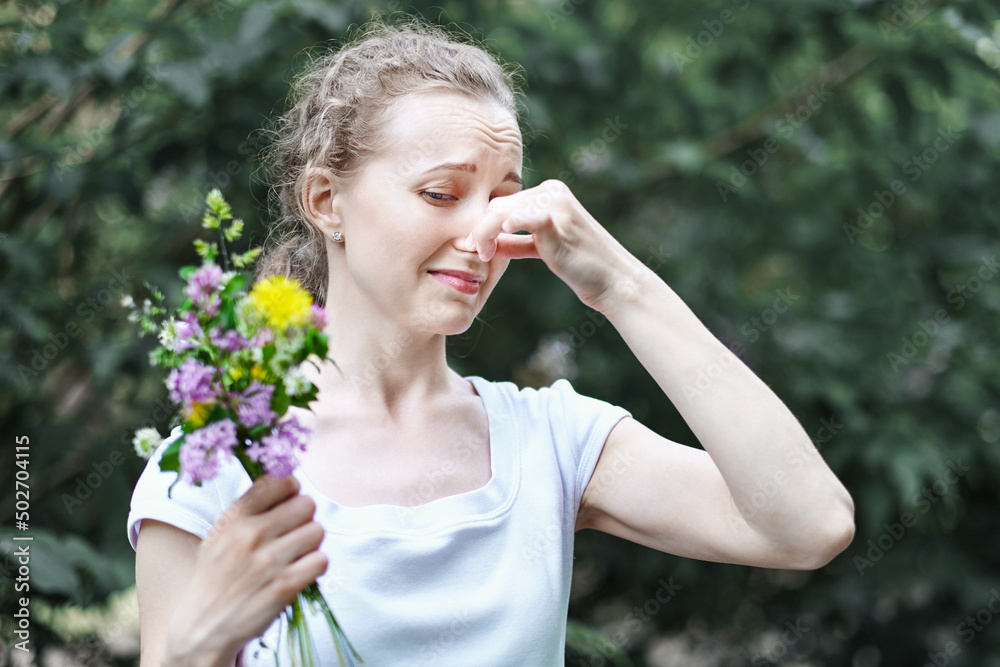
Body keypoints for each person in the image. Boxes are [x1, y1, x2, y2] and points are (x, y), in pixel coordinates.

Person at [128, 16, 855, 667]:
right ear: (325, 201)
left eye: (505, 200)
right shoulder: (221, 461)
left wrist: (619, 284)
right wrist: (197, 646)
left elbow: (811, 524)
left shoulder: (550, 441)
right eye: (442, 194)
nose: (482, 234)